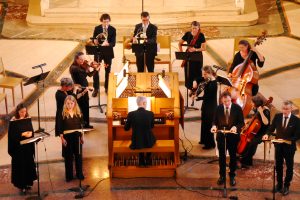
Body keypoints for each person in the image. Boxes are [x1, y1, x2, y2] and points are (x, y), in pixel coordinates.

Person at [262, 100, 300, 196]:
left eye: (287, 109)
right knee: (278, 166)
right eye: (283, 108)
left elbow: (297, 136)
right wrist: (267, 134)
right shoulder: (278, 117)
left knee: (289, 167)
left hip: (289, 148)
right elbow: (271, 128)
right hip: (278, 146)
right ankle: (279, 184)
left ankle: (286, 185)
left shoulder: (296, 120)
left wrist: (286, 140)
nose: (284, 111)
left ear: (291, 109)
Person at [211, 91, 244, 186]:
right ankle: (222, 176)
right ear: (222, 101)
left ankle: (232, 175)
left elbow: (241, 123)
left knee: (233, 157)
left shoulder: (237, 108)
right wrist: (214, 126)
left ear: (231, 99)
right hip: (221, 136)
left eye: (228, 101)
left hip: (233, 137)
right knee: (222, 157)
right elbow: (214, 121)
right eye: (225, 102)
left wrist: (235, 127)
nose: (227, 103)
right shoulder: (218, 108)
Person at [8, 104, 37, 194]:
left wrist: (30, 134)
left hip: (27, 147)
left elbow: (31, 130)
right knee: (21, 167)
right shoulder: (13, 121)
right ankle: (22, 186)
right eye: (21, 112)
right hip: (18, 149)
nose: (23, 113)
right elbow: (12, 136)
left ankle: (28, 183)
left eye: (25, 111)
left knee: (28, 165)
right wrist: (22, 134)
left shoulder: (28, 118)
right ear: (18, 112)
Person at [56, 95, 85, 182]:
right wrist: (62, 139)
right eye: (68, 103)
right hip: (67, 137)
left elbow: (81, 126)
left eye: (71, 103)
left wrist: (82, 137)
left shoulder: (78, 112)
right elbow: (60, 127)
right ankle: (69, 176)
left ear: (74, 103)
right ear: (65, 104)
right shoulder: (62, 113)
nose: (70, 105)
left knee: (78, 156)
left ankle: (79, 174)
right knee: (68, 157)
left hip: (77, 136)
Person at [70, 51, 99, 128]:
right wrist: (90, 66)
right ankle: (85, 124)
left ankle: (85, 123)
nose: (83, 61)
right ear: (76, 59)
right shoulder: (74, 68)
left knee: (85, 107)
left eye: (84, 59)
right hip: (80, 89)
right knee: (83, 107)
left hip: (84, 88)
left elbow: (89, 75)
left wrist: (95, 69)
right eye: (81, 59)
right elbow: (84, 72)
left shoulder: (81, 65)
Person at [124, 96, 156, 166]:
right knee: (151, 137)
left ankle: (141, 160)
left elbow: (126, 129)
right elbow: (152, 126)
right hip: (149, 141)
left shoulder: (131, 114)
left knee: (139, 136)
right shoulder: (150, 114)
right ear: (144, 103)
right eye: (146, 103)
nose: (146, 104)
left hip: (136, 142)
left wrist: (128, 122)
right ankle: (148, 158)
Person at [240, 95, 270, 168]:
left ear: (256, 103)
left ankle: (247, 161)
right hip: (256, 130)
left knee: (252, 142)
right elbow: (255, 117)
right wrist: (249, 122)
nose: (251, 103)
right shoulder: (256, 108)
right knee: (246, 139)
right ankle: (243, 156)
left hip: (263, 132)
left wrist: (261, 112)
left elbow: (266, 123)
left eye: (252, 102)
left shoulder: (265, 110)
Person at [192, 65, 217, 149]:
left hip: (211, 107)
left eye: (204, 74)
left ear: (209, 73)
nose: (203, 76)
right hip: (206, 105)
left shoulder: (213, 84)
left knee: (208, 125)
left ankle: (210, 144)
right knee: (204, 123)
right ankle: (203, 140)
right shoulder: (208, 79)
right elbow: (199, 78)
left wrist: (197, 98)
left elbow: (208, 97)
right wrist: (195, 81)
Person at [92, 13, 116, 95]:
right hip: (98, 51)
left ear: (109, 21)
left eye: (107, 22)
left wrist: (108, 44)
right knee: (96, 70)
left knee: (107, 71)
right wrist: (94, 42)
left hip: (108, 52)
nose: (106, 24)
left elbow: (114, 43)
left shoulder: (113, 29)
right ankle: (96, 88)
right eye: (104, 22)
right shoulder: (97, 28)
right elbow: (94, 39)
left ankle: (107, 87)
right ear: (101, 21)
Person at [178, 21, 206, 91]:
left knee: (197, 73)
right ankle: (190, 88)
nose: (194, 30)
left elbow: (204, 48)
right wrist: (182, 53)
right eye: (193, 28)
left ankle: (197, 88)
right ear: (191, 28)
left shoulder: (201, 35)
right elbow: (180, 43)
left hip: (197, 57)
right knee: (188, 73)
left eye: (196, 28)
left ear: (198, 28)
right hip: (188, 56)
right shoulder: (187, 34)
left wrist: (195, 49)